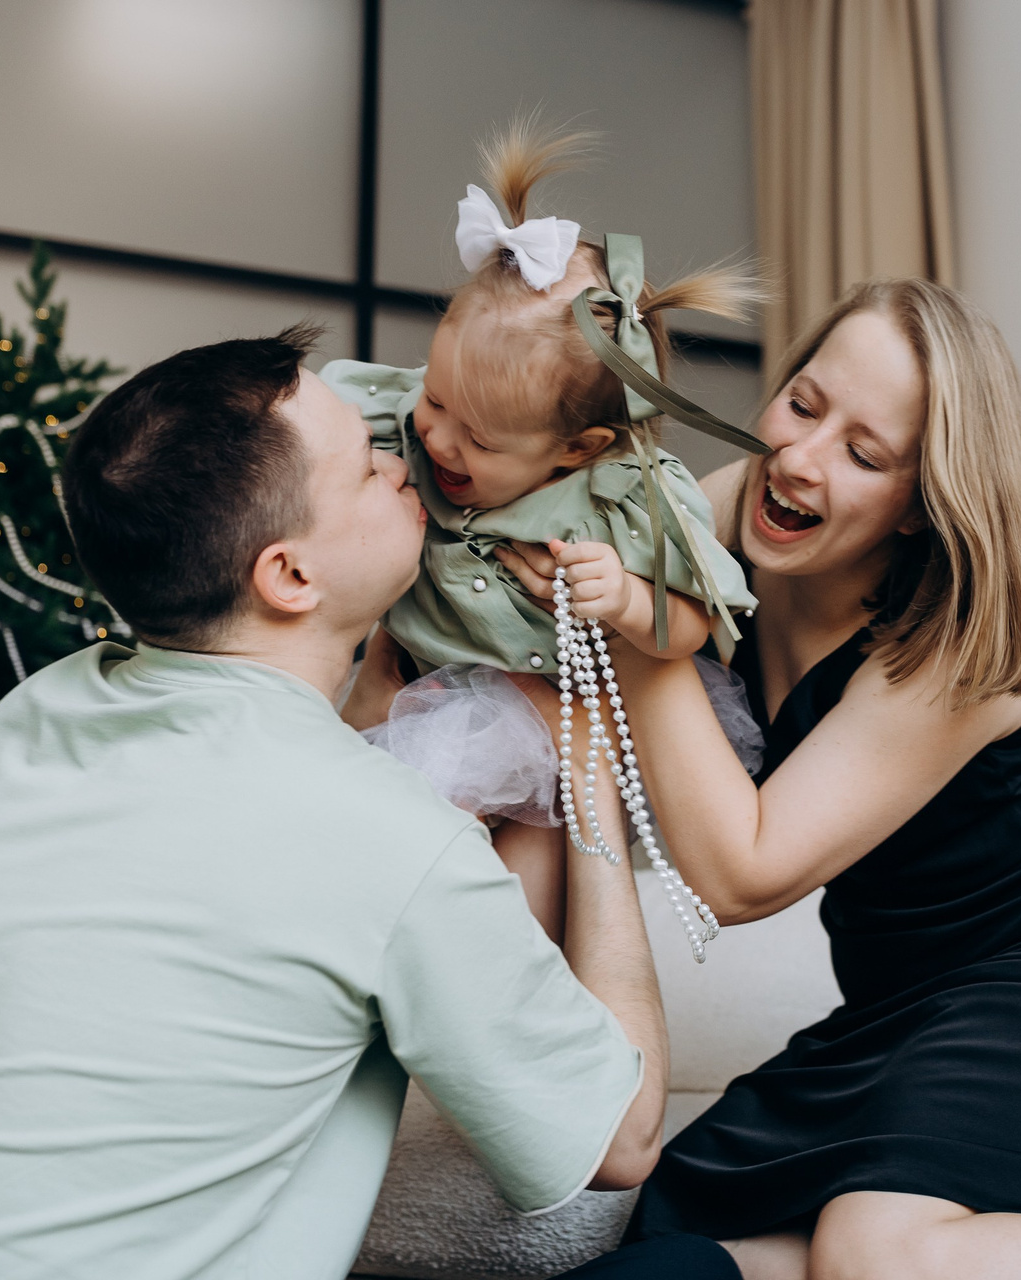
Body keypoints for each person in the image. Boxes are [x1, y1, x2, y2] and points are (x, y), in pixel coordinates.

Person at [0, 328, 737, 1280]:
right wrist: (589, 773)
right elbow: (621, 1140)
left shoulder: (27, 717)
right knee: (690, 1267)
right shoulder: (390, 839)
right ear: (289, 573)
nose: (407, 455)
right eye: (367, 464)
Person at [501, 279, 1021, 1280]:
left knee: (869, 1244)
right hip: (904, 1002)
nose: (799, 459)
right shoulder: (734, 507)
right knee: (686, 1235)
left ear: (924, 503)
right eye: (802, 403)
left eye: (864, 452)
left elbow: (743, 873)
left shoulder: (960, 647)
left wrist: (645, 632)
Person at [325, 122, 761, 947]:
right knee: (391, 850)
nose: (438, 439)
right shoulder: (404, 420)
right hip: (418, 690)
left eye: (480, 440)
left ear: (577, 449)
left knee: (529, 872)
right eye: (436, 399)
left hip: (547, 720)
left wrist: (626, 599)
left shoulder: (625, 498)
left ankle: (509, 986)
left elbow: (695, 625)